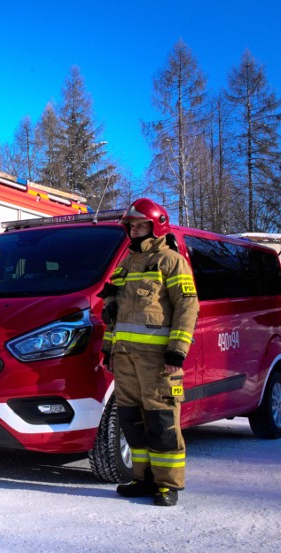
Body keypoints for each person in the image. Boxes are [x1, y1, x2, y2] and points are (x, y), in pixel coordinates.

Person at [101, 198, 199, 506]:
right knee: (132, 420)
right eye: (131, 226)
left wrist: (177, 352)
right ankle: (141, 478)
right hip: (126, 359)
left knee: (162, 421)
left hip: (158, 363)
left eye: (140, 225)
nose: (134, 230)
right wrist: (108, 350)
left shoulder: (171, 261)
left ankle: (167, 484)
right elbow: (111, 311)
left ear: (156, 226)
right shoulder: (126, 264)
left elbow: (187, 307)